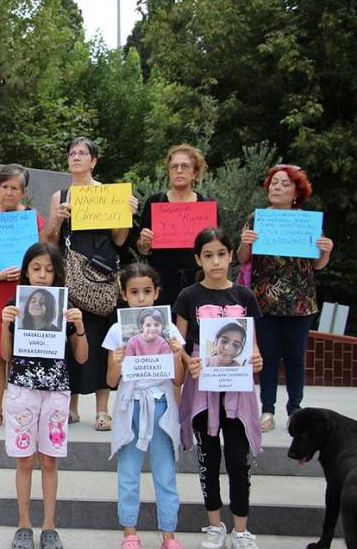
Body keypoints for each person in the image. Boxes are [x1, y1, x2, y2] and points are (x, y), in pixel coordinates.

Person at [174, 227, 264, 549]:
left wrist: (256, 361)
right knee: (208, 460)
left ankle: (241, 530)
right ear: (198, 258)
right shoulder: (188, 297)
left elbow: (253, 346)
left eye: (221, 254)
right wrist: (187, 361)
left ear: (230, 257)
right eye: (208, 255)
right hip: (203, 391)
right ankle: (215, 526)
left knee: (238, 462)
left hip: (237, 392)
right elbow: (178, 345)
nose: (215, 261)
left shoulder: (245, 296)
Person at [45, 136, 139, 431]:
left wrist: (127, 213)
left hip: (101, 278)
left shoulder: (109, 193)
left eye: (82, 153)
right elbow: (49, 240)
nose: (76, 157)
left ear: (93, 161)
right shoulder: (60, 195)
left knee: (102, 342)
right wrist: (58, 221)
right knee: (70, 339)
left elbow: (121, 240)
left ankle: (102, 409)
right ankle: (70, 407)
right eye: (72, 152)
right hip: (69, 277)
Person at [0, 242, 88, 549]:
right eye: (36, 269)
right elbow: (5, 355)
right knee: (24, 460)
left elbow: (81, 358)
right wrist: (5, 323)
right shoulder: (17, 303)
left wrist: (78, 327)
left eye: (49, 270)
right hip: (22, 388)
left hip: (56, 391)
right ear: (26, 270)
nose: (42, 276)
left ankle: (49, 526)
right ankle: (24, 524)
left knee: (49, 460)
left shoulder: (64, 306)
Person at [236, 164, 334, 432]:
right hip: (264, 300)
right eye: (274, 182)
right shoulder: (257, 218)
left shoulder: (306, 221)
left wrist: (325, 250)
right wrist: (246, 241)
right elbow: (242, 258)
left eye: (284, 183)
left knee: (295, 357)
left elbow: (317, 265)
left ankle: (295, 410)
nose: (277, 187)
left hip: (300, 302)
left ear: (296, 192)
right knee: (267, 356)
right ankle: (267, 410)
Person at [104, 263, 185, 549]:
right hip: (131, 406)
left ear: (157, 293)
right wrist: (117, 361)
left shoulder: (169, 328)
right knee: (128, 472)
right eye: (134, 292)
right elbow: (111, 380)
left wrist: (177, 355)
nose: (141, 298)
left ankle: (169, 535)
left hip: (161, 405)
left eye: (147, 291)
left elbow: (179, 379)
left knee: (165, 472)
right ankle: (130, 532)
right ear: (124, 294)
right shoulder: (118, 330)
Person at [0, 164, 46, 429]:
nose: (8, 193)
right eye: (4, 187)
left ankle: (26, 409)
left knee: (26, 351)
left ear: (23, 192)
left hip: (25, 291)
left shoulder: (32, 218)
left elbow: (43, 250)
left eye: (14, 188)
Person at [137, 144, 214, 309]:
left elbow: (214, 247)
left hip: (198, 280)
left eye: (185, 166)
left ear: (195, 172)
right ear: (169, 171)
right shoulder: (154, 202)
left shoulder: (206, 204)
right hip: (162, 281)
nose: (179, 170)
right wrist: (144, 243)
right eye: (174, 166)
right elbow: (142, 250)